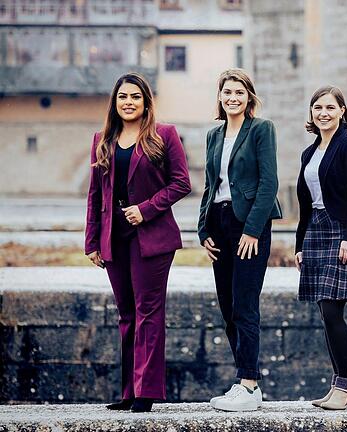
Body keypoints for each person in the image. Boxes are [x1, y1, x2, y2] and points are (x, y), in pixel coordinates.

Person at [85, 72, 191, 412]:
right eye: (122, 97)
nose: (128, 102)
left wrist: (145, 210)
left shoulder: (165, 135)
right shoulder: (102, 139)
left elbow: (181, 183)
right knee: (126, 314)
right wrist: (92, 241)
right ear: (114, 103)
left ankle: (146, 393)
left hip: (152, 237)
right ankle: (129, 391)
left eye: (134, 97)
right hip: (113, 237)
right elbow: (94, 195)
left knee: (148, 313)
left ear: (146, 102)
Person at [198, 68, 282, 411]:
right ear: (219, 96)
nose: (232, 97)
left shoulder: (262, 129)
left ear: (249, 97)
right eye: (227, 92)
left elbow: (269, 183)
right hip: (218, 223)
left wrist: (252, 229)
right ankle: (244, 379)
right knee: (228, 307)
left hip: (249, 225)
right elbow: (209, 185)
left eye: (239, 92)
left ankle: (249, 385)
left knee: (245, 304)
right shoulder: (214, 134)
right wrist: (203, 229)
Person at [295, 86, 347, 411]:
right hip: (315, 230)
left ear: (342, 110)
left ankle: (345, 384)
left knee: (331, 309)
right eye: (317, 108)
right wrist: (299, 244)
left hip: (341, 231)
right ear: (311, 113)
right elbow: (304, 203)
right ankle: (341, 386)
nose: (323, 113)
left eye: (329, 107)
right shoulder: (309, 153)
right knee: (325, 313)